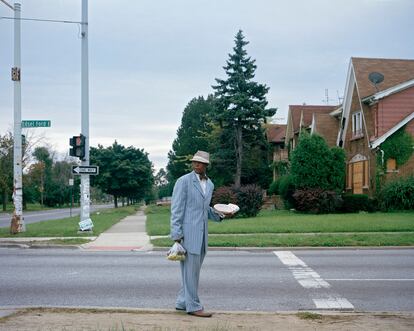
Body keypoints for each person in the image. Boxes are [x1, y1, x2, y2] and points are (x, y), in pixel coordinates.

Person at [170, 150, 231, 317]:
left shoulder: (209, 184)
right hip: (188, 235)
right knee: (191, 271)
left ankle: (182, 301)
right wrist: (176, 234)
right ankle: (194, 306)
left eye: (200, 162)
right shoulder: (183, 181)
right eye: (194, 162)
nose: (196, 164)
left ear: (206, 165)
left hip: (202, 236)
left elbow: (205, 210)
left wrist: (221, 215)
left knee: (192, 272)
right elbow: (176, 209)